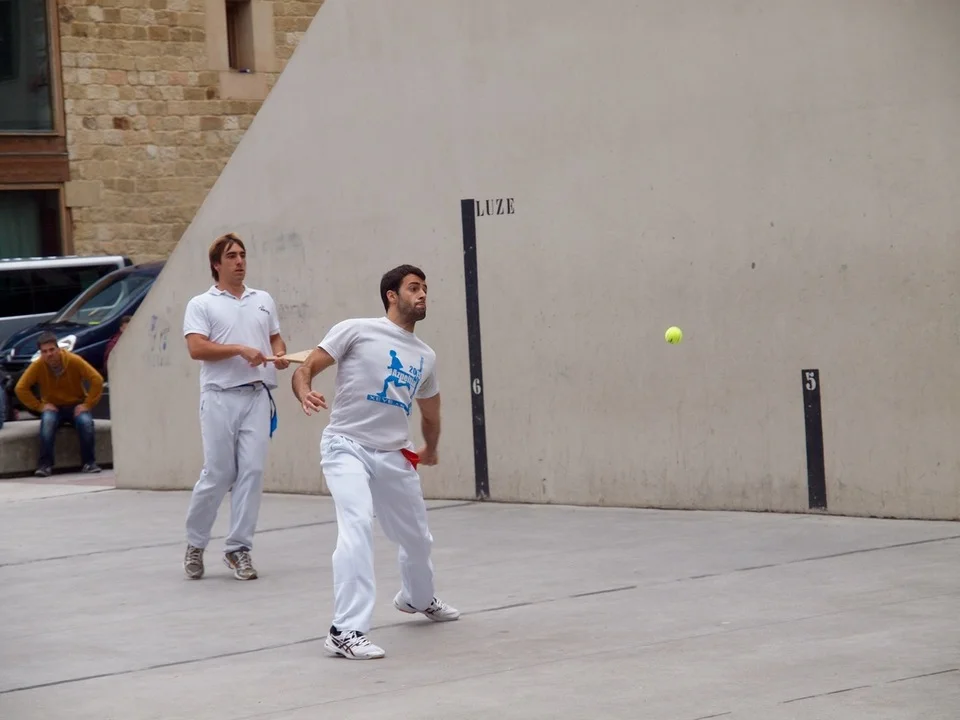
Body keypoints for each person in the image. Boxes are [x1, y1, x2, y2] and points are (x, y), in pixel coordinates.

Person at [292, 264, 459, 660]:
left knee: (417, 539)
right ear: (391, 295)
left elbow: (431, 412)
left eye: (425, 289)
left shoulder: (426, 356)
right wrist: (304, 391)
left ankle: (417, 598)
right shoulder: (355, 330)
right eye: (414, 288)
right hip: (346, 446)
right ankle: (344, 631)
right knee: (356, 527)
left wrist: (431, 447)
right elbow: (306, 368)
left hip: (394, 453)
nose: (422, 295)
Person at [181, 232, 291, 581]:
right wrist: (239, 349)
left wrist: (280, 353)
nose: (240, 261)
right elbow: (197, 348)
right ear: (217, 264)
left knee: (252, 472)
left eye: (242, 254)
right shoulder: (202, 304)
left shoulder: (263, 299)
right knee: (218, 474)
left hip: (257, 395)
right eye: (231, 256)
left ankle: (238, 549)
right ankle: (195, 543)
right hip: (218, 397)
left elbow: (274, 337)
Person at [14, 332, 104, 476]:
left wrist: (87, 404)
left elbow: (97, 379)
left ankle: (89, 463)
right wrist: (39, 406)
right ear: (41, 353)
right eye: (44, 352)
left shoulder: (73, 360)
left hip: (76, 405)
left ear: (58, 349)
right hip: (53, 407)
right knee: (47, 424)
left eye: (52, 350)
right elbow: (20, 388)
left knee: (86, 423)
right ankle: (45, 465)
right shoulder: (38, 365)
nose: (49, 354)